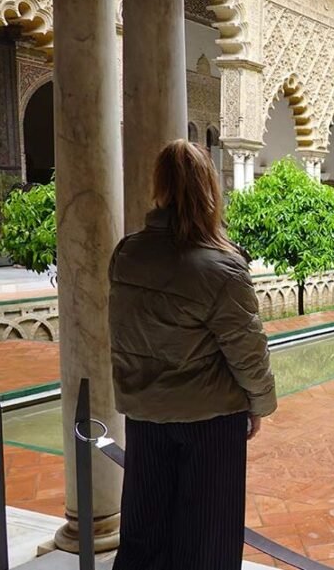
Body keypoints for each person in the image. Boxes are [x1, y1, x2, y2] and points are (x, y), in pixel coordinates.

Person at [109, 140, 276, 570]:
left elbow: (124, 332)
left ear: (159, 186)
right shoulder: (222, 267)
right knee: (208, 541)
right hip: (210, 421)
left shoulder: (127, 254)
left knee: (144, 533)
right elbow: (248, 352)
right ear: (209, 189)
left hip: (145, 414)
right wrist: (260, 404)